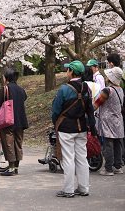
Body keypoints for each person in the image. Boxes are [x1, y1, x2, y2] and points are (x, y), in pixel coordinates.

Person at [51, 60, 97, 198]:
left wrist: (55, 122)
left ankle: (68, 189)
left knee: (68, 158)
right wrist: (92, 126)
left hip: (66, 128)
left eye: (68, 70)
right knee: (82, 158)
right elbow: (90, 109)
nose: (66, 72)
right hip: (81, 127)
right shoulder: (86, 88)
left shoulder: (64, 89)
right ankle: (84, 188)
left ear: (71, 72)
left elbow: (56, 110)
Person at [0, 68, 28, 176]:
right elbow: (24, 98)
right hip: (21, 120)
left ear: (6, 78)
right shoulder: (21, 89)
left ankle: (11, 168)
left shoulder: (5, 89)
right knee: (18, 143)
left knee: (8, 143)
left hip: (9, 120)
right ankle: (16, 167)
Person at [94, 66, 124, 176]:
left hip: (108, 121)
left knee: (108, 145)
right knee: (117, 144)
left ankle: (108, 169)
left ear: (110, 78)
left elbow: (96, 104)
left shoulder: (107, 90)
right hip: (118, 120)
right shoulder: (120, 89)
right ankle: (118, 167)